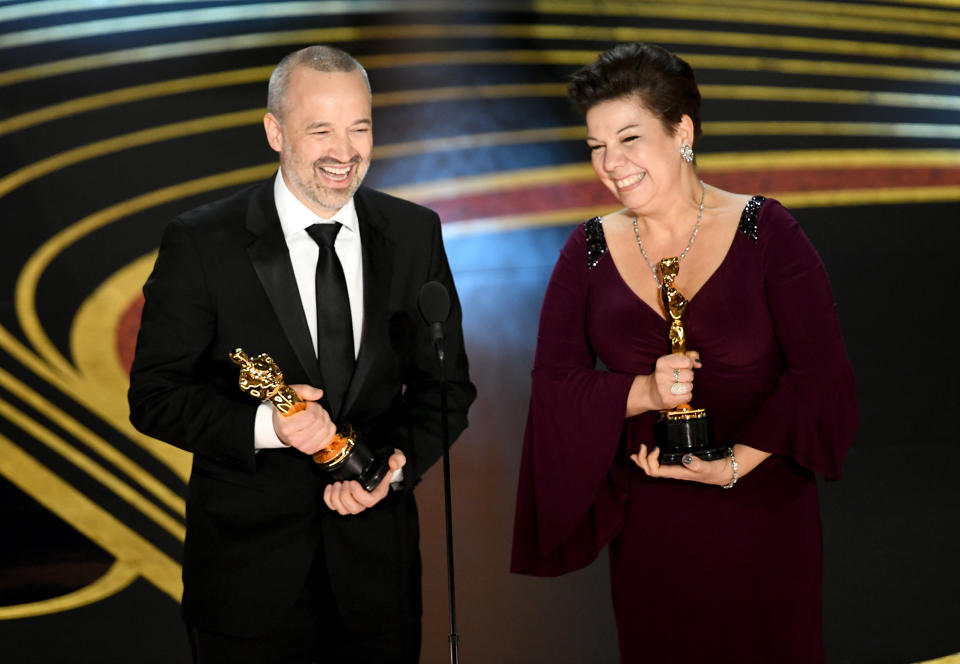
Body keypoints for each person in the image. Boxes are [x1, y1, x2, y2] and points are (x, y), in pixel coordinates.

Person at [511, 43, 858, 663]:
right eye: (596, 147)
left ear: (683, 131)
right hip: (653, 529)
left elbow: (821, 375)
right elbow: (552, 385)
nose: (611, 164)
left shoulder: (767, 231)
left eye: (629, 139)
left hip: (765, 516)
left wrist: (733, 464)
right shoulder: (586, 250)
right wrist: (643, 391)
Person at [128, 45, 475, 663]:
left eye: (360, 128)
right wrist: (271, 426)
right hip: (246, 585)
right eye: (321, 130)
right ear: (275, 131)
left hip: (378, 583)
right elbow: (156, 396)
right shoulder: (202, 242)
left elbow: (444, 390)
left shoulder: (414, 232)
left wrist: (393, 469)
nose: (345, 152)